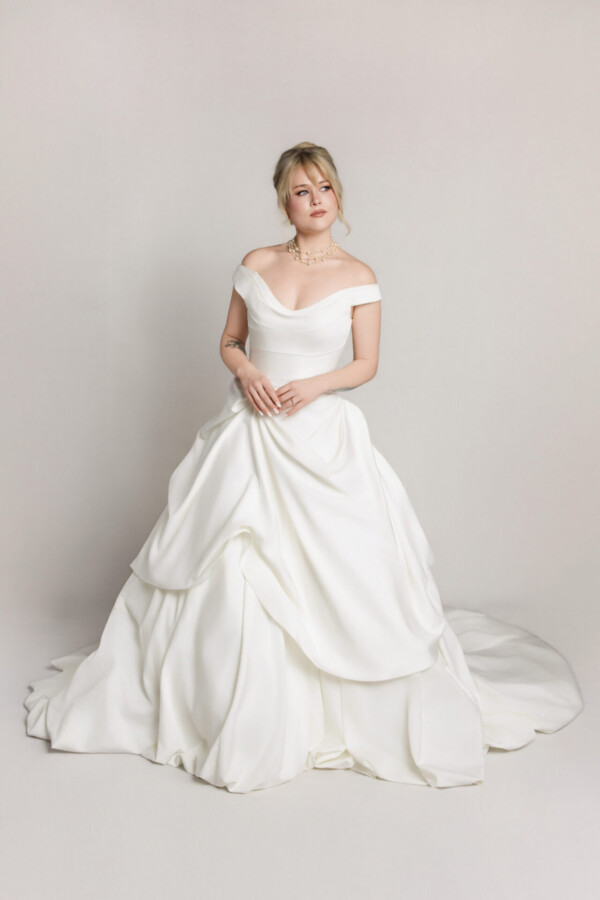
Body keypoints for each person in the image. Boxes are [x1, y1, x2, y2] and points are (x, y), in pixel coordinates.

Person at [24, 141, 584, 793]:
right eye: (300, 191)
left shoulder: (358, 274)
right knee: (229, 558)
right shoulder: (255, 263)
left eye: (324, 189)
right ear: (283, 201)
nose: (314, 201)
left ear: (338, 197)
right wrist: (249, 374)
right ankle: (226, 707)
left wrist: (315, 387)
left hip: (321, 438)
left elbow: (366, 363)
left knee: (346, 573)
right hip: (250, 433)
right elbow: (229, 342)